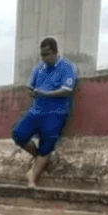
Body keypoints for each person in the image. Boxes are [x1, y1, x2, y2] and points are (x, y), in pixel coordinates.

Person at [11, 37, 78, 188]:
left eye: (47, 54)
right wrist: (33, 91)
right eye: (42, 55)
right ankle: (40, 158)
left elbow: (67, 90)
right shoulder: (39, 68)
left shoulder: (67, 67)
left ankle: (32, 177)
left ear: (55, 52)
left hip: (56, 113)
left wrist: (46, 94)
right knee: (18, 134)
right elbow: (30, 85)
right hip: (36, 110)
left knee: (47, 144)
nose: (44, 58)